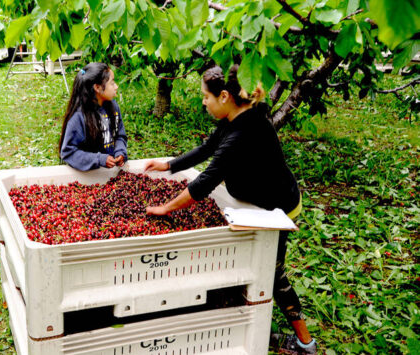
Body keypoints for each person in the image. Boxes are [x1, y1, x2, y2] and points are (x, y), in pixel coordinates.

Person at [144, 65, 317, 354]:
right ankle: (245, 316)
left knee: (273, 273)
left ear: (224, 96)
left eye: (205, 96)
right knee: (256, 265)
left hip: (278, 208)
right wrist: (169, 165)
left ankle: (305, 343)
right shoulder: (235, 116)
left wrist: (166, 208)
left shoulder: (244, 132)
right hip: (254, 202)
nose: (203, 102)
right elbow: (207, 148)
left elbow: (206, 181)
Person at [59, 62, 127, 171]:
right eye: (112, 82)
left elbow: (120, 135)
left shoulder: (113, 107)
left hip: (110, 175)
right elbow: (68, 152)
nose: (116, 86)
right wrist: (99, 159)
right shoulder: (79, 116)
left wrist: (120, 151)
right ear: (97, 87)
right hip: (88, 177)